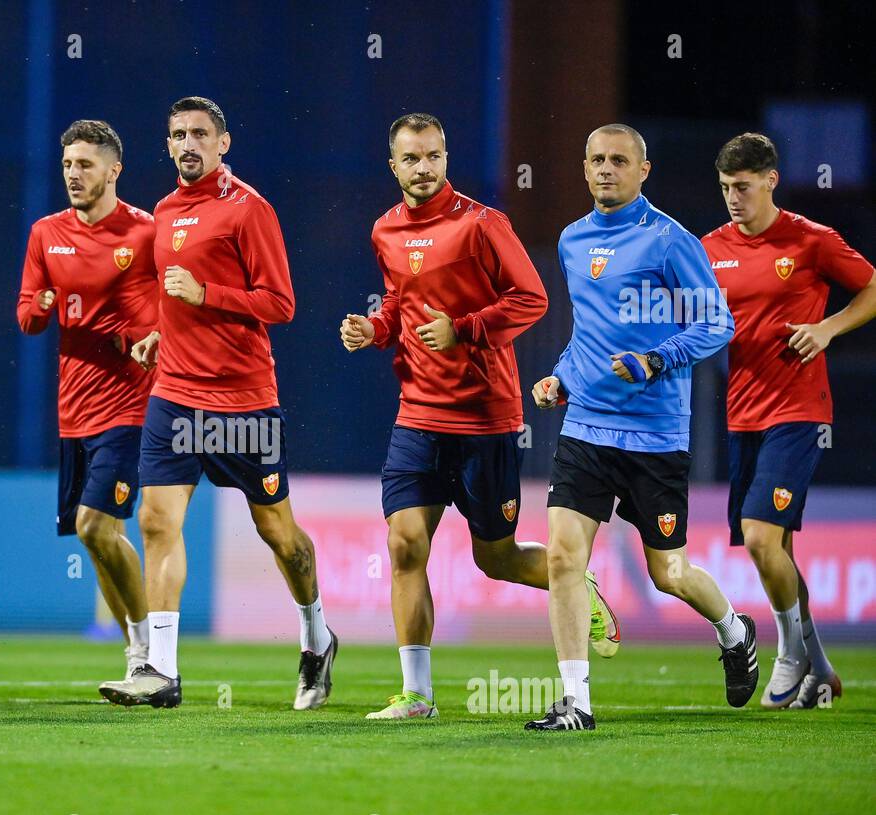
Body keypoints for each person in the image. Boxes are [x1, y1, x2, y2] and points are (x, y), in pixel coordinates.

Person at [340, 112, 619, 720]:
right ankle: (417, 695)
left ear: (446, 157)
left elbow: (532, 299)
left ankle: (575, 584)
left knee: (493, 558)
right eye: (411, 159)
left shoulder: (481, 222)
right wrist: (377, 329)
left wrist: (464, 329)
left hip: (485, 420)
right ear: (393, 165)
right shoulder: (385, 230)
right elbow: (399, 303)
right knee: (405, 543)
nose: (423, 168)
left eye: (433, 156)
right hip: (416, 416)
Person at [100, 96, 338, 711]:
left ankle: (316, 635)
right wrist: (159, 330)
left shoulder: (249, 209)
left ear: (223, 142)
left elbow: (280, 303)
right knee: (156, 521)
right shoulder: (165, 209)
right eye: (177, 133)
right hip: (175, 395)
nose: (187, 144)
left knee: (277, 531)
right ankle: (161, 670)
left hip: (241, 401)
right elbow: (170, 296)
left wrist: (206, 293)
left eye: (200, 133)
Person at [528, 123, 756, 731]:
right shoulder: (574, 240)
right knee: (562, 558)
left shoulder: (670, 241)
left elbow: (715, 325)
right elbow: (588, 335)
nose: (607, 169)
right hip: (586, 429)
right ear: (584, 167)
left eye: (620, 160)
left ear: (643, 171)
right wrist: (561, 378)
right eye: (597, 159)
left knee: (669, 572)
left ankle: (735, 633)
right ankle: (576, 701)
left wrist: (657, 360)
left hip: (655, 436)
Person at [703, 132, 876, 708]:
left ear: (771, 180)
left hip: (798, 410)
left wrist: (827, 329)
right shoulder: (710, 248)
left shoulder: (811, 240)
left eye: (744, 187)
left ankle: (790, 651)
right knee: (778, 549)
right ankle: (821, 669)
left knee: (758, 537)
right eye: (726, 187)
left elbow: (872, 287)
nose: (734, 198)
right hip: (742, 414)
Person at [17, 120, 158, 692]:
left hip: (130, 406)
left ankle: (151, 649)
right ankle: (137, 654)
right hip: (74, 410)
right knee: (90, 534)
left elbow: (170, 307)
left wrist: (148, 337)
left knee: (96, 525)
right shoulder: (46, 234)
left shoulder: (147, 232)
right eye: (68, 163)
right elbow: (26, 316)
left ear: (113, 170)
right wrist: (43, 304)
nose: (74, 174)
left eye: (85, 164)